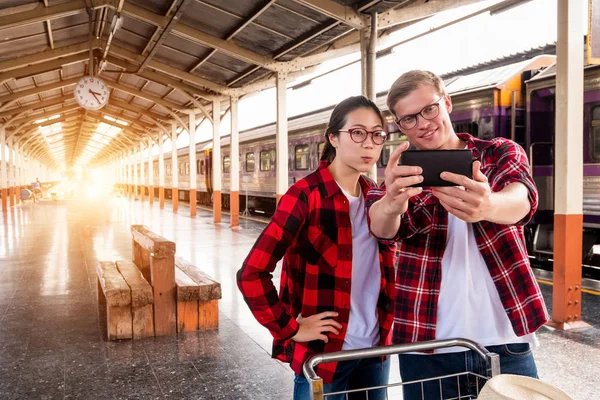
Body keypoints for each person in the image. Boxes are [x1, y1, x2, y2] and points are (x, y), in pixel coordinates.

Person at [366, 70, 549, 399]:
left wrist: (488, 205)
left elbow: (522, 200)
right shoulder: (402, 175)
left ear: (446, 103)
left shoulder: (499, 152)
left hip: (506, 341)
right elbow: (381, 227)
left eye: (429, 109)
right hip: (427, 347)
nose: (423, 123)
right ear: (400, 126)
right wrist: (392, 202)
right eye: (409, 119)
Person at [237, 96, 397, 400]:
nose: (369, 144)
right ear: (333, 137)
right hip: (326, 355)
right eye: (358, 133)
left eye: (377, 134)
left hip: (376, 351)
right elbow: (251, 273)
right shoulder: (305, 195)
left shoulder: (376, 198)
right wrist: (290, 329)